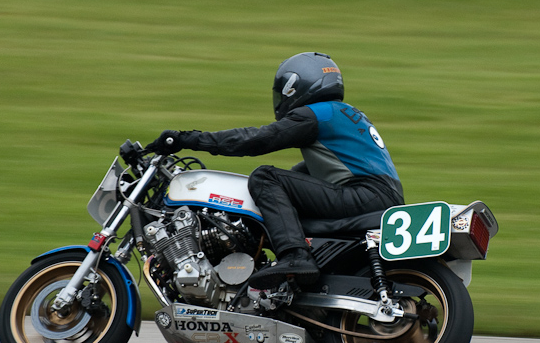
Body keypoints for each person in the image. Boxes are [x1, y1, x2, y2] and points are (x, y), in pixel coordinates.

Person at [146, 52, 404, 289]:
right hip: (378, 194)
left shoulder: (316, 114)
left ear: (296, 85)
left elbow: (255, 140)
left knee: (264, 177)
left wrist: (188, 139)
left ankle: (295, 256)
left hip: (364, 193)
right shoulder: (344, 114)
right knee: (294, 176)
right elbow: (307, 177)